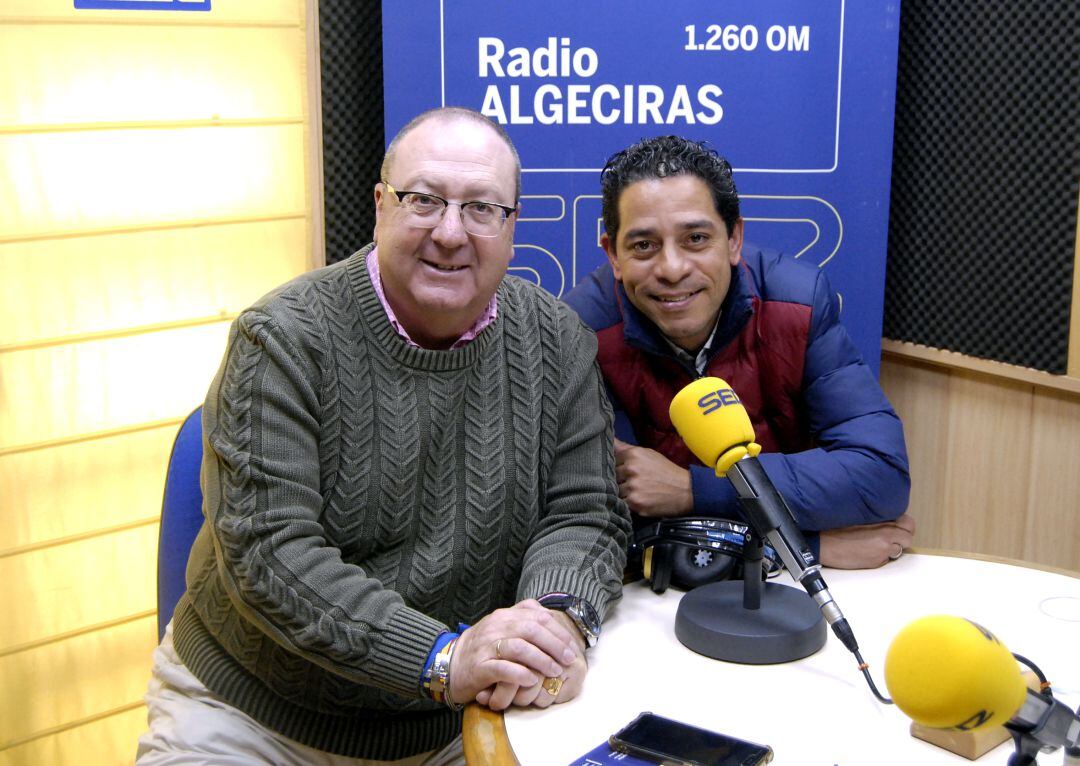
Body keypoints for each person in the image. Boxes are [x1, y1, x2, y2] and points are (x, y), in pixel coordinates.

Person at [137, 107, 630, 765]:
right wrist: (441, 656)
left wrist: (552, 627)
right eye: (423, 200)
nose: (451, 233)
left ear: (512, 227)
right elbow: (270, 551)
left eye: (483, 209)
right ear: (379, 206)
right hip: (255, 715)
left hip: (463, 722)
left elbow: (585, 514)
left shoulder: (558, 341)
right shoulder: (282, 339)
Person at [563, 135, 913, 570]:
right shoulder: (581, 333)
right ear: (613, 255)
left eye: (695, 238)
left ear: (734, 240)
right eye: (643, 246)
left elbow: (879, 475)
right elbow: (610, 528)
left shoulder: (798, 304)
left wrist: (694, 490)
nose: (672, 269)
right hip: (653, 601)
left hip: (787, 600)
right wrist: (803, 547)